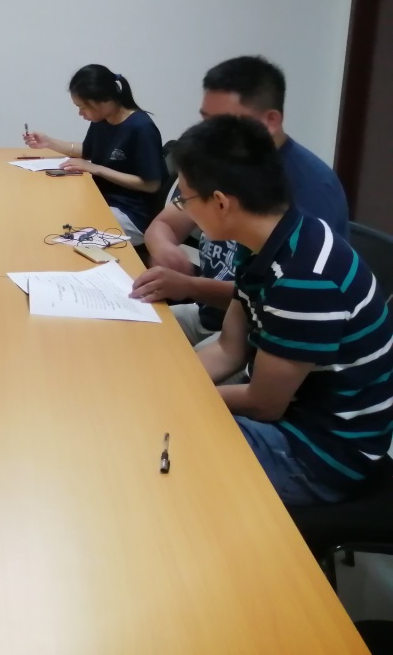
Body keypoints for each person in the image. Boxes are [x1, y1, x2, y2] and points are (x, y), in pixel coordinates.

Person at [170, 115, 392, 505]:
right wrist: (170, 384)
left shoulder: (306, 279)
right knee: (157, 418)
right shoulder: (266, 238)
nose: (181, 208)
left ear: (220, 202)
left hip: (321, 452)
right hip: (292, 413)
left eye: (184, 199)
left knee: (163, 450)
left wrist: (174, 397)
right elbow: (229, 349)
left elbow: (264, 404)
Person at [132, 56, 351, 346]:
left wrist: (189, 286)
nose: (210, 133)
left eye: (224, 123)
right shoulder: (221, 161)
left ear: (270, 121)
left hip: (263, 332)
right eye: (206, 119)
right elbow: (165, 223)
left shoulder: (309, 188)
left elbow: (285, 294)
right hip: (212, 315)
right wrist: (165, 250)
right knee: (125, 336)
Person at [23, 64, 165, 244]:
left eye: (83, 107)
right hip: (102, 199)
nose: (80, 113)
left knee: (64, 231)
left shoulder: (141, 128)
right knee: (52, 210)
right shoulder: (102, 119)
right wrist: (49, 142)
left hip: (131, 214)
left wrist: (95, 168)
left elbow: (151, 185)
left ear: (105, 100)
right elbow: (88, 151)